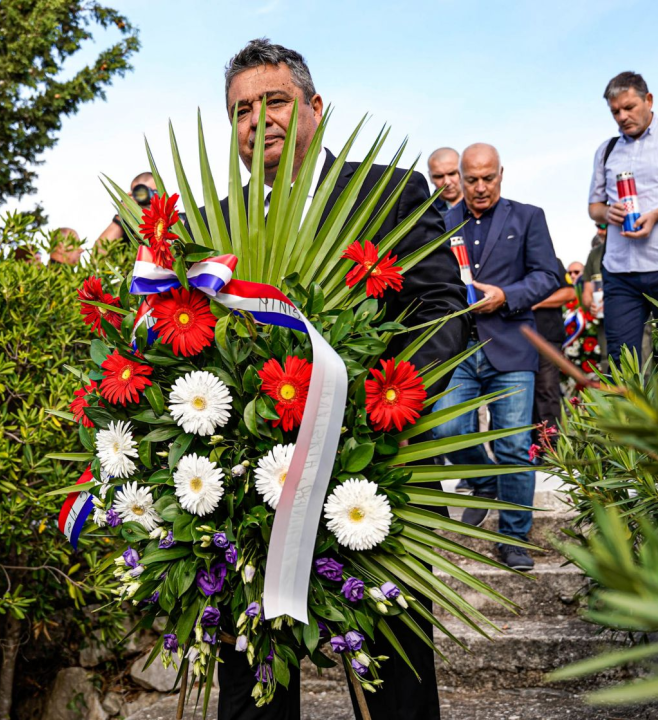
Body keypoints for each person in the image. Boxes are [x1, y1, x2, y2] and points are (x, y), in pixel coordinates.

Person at [210, 38, 468, 720]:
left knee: (395, 682)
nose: (257, 119)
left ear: (313, 108)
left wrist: (386, 408)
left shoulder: (387, 192)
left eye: (274, 101)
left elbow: (440, 305)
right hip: (249, 495)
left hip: (379, 474)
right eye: (241, 109)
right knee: (250, 684)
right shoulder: (211, 225)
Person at [431, 143, 560, 571]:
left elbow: (547, 276)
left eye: (489, 178)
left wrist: (507, 296)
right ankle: (484, 482)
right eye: (472, 179)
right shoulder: (441, 223)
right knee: (447, 428)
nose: (481, 187)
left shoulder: (528, 217)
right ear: (459, 179)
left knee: (513, 444)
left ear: (501, 174)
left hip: (512, 346)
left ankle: (514, 538)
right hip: (460, 349)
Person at [587, 71, 658, 389]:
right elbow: (594, 206)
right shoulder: (606, 150)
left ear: (648, 100)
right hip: (621, 273)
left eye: (629, 107)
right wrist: (607, 212)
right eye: (615, 112)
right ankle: (633, 435)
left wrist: (657, 215)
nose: (622, 117)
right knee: (623, 364)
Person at [531, 259, 574, 436]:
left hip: (547, 335)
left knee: (547, 390)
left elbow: (569, 293)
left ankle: (552, 448)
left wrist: (532, 303)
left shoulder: (552, 261)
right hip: (513, 339)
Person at [94, 172, 158, 253]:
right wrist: (123, 214)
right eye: (139, 193)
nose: (144, 198)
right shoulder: (127, 230)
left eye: (152, 192)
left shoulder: (173, 223)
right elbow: (98, 254)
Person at [427, 147, 464, 213]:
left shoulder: (484, 205)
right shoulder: (425, 214)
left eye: (452, 174)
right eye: (439, 176)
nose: (447, 182)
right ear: (430, 177)